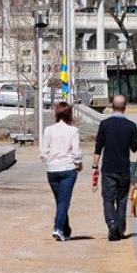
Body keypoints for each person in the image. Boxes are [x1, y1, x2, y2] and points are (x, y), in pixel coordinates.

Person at [92, 94, 137, 241]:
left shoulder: (105, 125)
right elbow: (134, 148)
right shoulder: (131, 126)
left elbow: (99, 146)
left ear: (112, 105)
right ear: (125, 107)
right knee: (122, 199)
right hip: (123, 168)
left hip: (108, 167)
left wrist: (95, 165)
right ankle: (119, 228)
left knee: (108, 197)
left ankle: (111, 223)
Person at [40, 102, 82, 241]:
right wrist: (78, 164)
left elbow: (44, 151)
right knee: (63, 201)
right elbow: (76, 152)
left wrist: (49, 162)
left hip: (52, 169)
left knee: (60, 200)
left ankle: (66, 229)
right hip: (68, 168)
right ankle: (58, 228)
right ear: (69, 114)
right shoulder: (73, 131)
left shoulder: (48, 130)